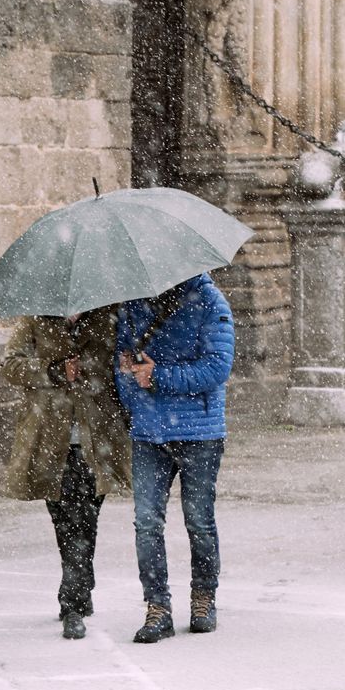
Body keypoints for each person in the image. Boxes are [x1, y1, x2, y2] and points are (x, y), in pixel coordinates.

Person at [114, 271, 235, 644]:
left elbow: (217, 366)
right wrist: (133, 387)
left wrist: (159, 376)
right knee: (146, 523)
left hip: (199, 430)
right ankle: (157, 607)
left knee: (198, 520)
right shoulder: (132, 305)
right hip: (149, 431)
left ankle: (203, 598)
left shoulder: (210, 301)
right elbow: (121, 364)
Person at [0, 306, 132, 640]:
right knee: (63, 517)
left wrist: (118, 366)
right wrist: (54, 370)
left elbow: (124, 359)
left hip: (96, 437)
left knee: (86, 517)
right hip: (49, 437)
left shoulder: (109, 314)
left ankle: (74, 594)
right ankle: (77, 588)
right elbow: (11, 366)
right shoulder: (33, 316)